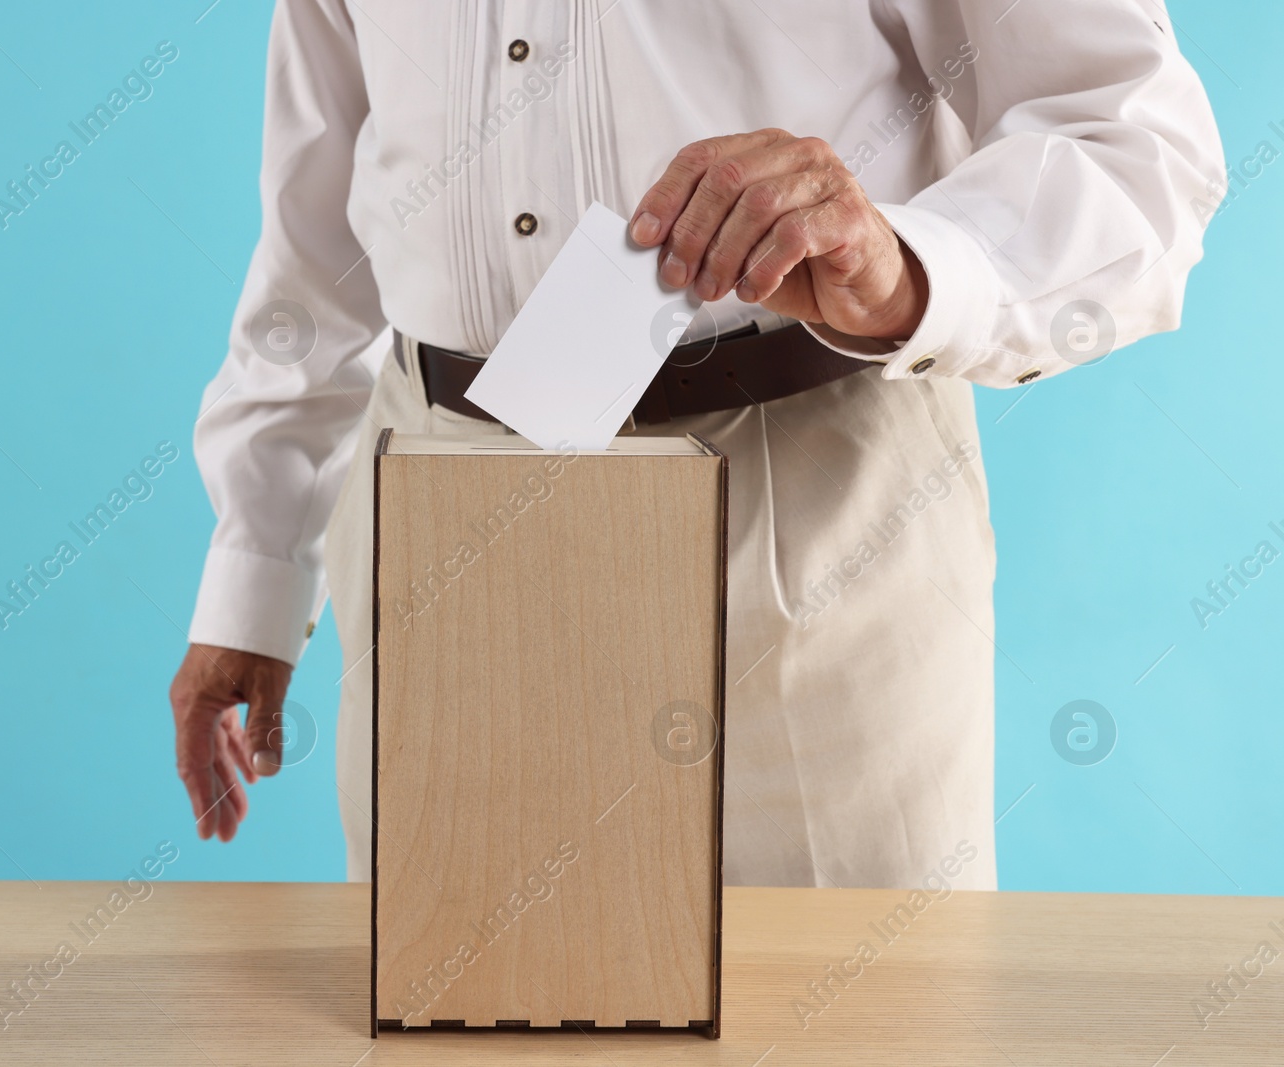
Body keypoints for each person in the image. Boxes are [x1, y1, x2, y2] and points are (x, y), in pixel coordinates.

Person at [168, 0, 1222, 889]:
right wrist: (256, 566)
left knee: (854, 1026)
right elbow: (315, 233)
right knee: (452, 1023)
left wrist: (900, 265)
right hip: (439, 511)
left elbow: (1136, 146)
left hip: (808, 528)